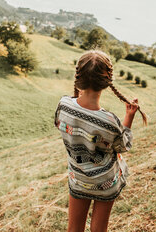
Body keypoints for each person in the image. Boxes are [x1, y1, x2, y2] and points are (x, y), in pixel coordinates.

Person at [54, 50, 146, 232]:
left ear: (78, 75)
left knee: (73, 229)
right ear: (107, 82)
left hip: (78, 178)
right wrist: (128, 118)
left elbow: (60, 124)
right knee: (99, 229)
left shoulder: (63, 105)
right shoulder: (110, 121)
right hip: (106, 182)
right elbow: (123, 145)